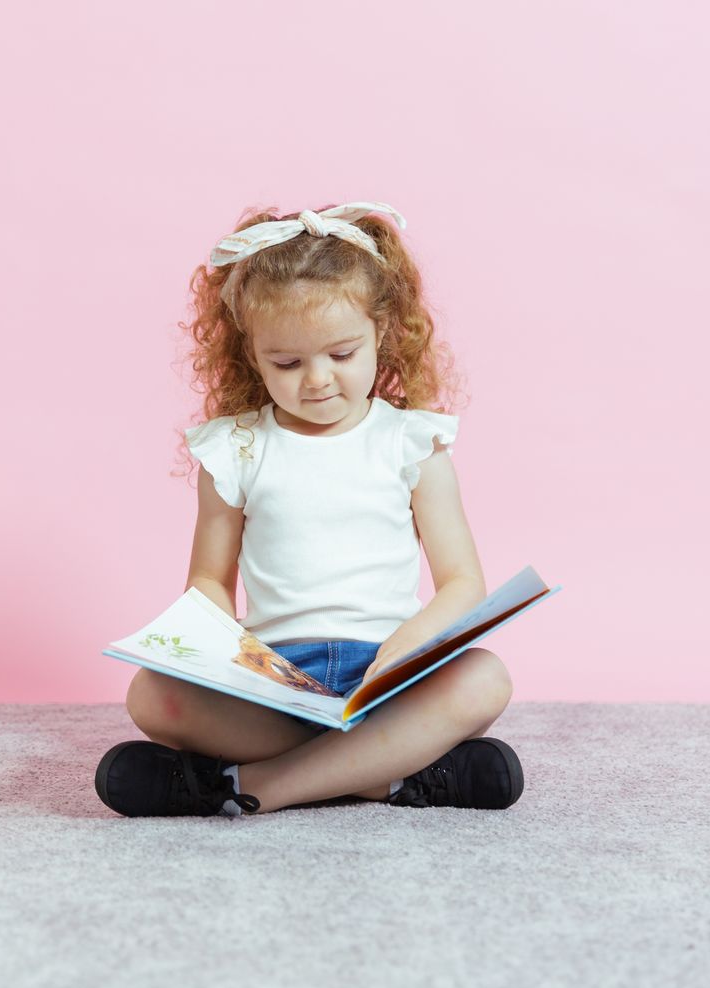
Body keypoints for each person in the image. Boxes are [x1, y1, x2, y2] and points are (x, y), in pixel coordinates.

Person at [95, 200, 524, 818]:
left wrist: (411, 643)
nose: (317, 379)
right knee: (151, 697)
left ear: (381, 332)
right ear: (252, 354)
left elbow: (462, 582)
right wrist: (229, 657)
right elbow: (209, 581)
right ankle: (387, 772)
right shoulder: (237, 448)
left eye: (342, 354)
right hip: (277, 683)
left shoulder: (412, 443)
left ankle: (259, 786)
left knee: (487, 677)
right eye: (287, 363)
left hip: (388, 673)